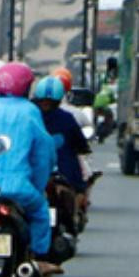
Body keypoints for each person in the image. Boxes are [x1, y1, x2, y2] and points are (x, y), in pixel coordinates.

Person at [0, 61, 64, 277]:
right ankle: (38, 258)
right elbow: (43, 154)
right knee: (40, 213)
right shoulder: (30, 112)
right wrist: (36, 187)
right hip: (19, 189)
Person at [32, 76, 92, 212]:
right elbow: (81, 146)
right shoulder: (67, 119)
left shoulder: (28, 116)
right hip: (61, 176)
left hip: (36, 175)